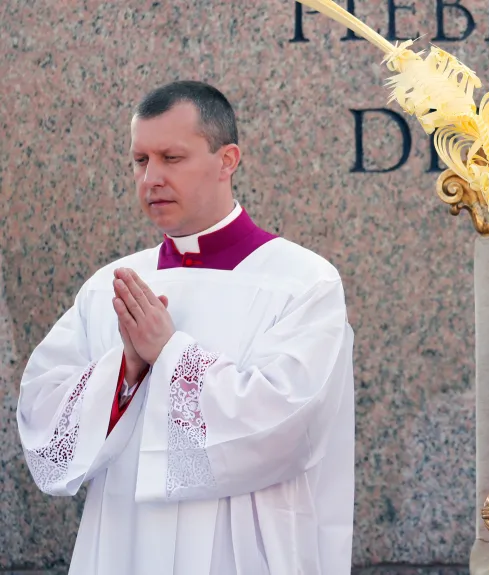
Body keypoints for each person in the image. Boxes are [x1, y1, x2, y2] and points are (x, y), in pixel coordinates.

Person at [16, 81, 355, 575]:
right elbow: (43, 419)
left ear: (227, 160)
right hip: (125, 541)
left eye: (171, 158)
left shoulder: (303, 282)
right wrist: (126, 369)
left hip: (241, 548)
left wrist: (169, 354)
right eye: (139, 160)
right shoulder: (109, 288)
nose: (151, 178)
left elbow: (289, 421)